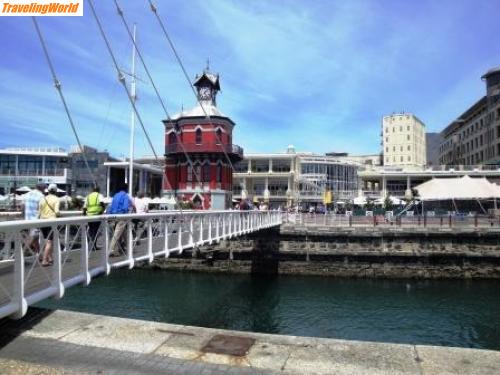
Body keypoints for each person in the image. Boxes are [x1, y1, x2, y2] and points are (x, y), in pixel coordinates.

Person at [107, 183, 135, 257]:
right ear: (126, 189)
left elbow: (111, 206)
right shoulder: (125, 196)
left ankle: (128, 248)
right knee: (117, 234)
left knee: (123, 233)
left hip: (113, 216)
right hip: (121, 216)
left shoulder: (115, 195)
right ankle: (111, 250)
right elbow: (125, 207)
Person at [39, 183, 60, 266]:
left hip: (42, 221)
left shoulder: (42, 199)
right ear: (55, 191)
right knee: (50, 242)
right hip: (51, 222)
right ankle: (44, 260)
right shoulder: (56, 199)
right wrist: (59, 215)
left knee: (47, 241)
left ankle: (50, 258)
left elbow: (39, 212)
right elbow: (57, 211)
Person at [22, 183, 45, 254]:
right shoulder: (41, 196)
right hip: (36, 219)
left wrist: (24, 215)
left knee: (35, 237)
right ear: (42, 188)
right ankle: (21, 253)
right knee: (34, 236)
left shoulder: (27, 194)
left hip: (27, 218)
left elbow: (22, 206)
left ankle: (40, 255)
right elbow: (42, 208)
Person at [83, 186, 105, 251]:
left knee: (91, 230)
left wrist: (84, 214)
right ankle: (93, 245)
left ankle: (91, 245)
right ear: (98, 190)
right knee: (95, 230)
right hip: (97, 214)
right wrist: (103, 210)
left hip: (89, 215)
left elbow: (84, 207)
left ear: (92, 190)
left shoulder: (88, 196)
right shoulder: (99, 195)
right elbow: (102, 203)